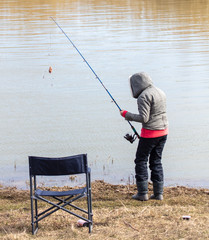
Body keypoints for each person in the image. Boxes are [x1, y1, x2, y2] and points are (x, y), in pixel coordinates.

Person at [120, 72, 168, 201]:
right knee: (156, 161)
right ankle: (158, 194)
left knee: (140, 160)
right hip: (163, 132)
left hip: (151, 133)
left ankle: (142, 193)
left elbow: (144, 118)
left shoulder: (143, 96)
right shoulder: (160, 91)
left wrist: (126, 114)